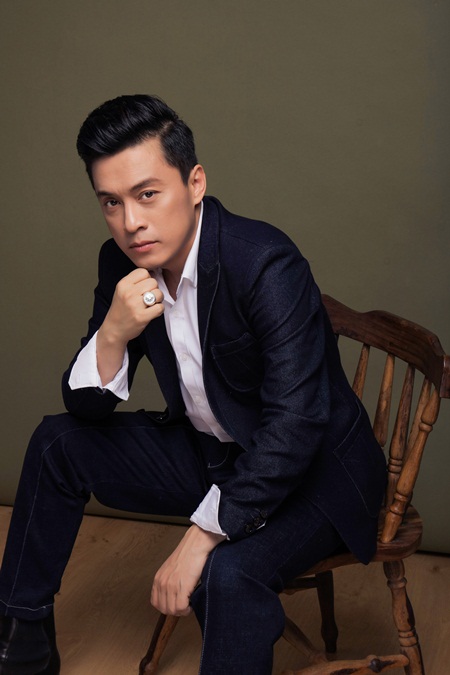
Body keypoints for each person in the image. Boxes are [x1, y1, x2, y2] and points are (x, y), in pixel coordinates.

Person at [0, 94, 386, 675]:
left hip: (315, 476)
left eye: (147, 194)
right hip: (215, 455)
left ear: (195, 182)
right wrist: (113, 332)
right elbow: (84, 409)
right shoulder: (122, 263)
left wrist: (202, 536)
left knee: (227, 574)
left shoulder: (264, 262)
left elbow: (297, 425)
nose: (131, 222)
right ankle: (20, 639)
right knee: (58, 444)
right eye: (111, 202)